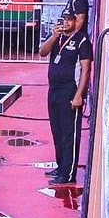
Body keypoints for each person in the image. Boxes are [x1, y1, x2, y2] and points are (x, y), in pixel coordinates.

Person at [37, 10, 90, 186]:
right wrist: (53, 37)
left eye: (69, 20)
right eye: (64, 20)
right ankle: (61, 167)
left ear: (75, 22)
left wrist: (79, 95)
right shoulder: (57, 39)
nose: (66, 23)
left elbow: (85, 69)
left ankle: (69, 174)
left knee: (69, 133)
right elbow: (42, 52)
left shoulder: (82, 40)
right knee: (57, 130)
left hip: (70, 90)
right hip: (54, 90)